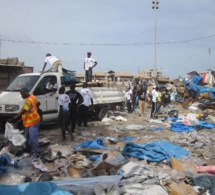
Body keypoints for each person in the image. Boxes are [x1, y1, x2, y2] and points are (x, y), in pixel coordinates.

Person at [7, 88, 41, 157]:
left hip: (33, 121)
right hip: (29, 121)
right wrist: (35, 110)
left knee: (33, 137)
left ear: (26, 93)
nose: (21, 96)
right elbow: (38, 103)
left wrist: (14, 118)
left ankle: (36, 153)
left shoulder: (28, 101)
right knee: (27, 137)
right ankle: (29, 149)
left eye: (22, 94)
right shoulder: (33, 97)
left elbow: (23, 111)